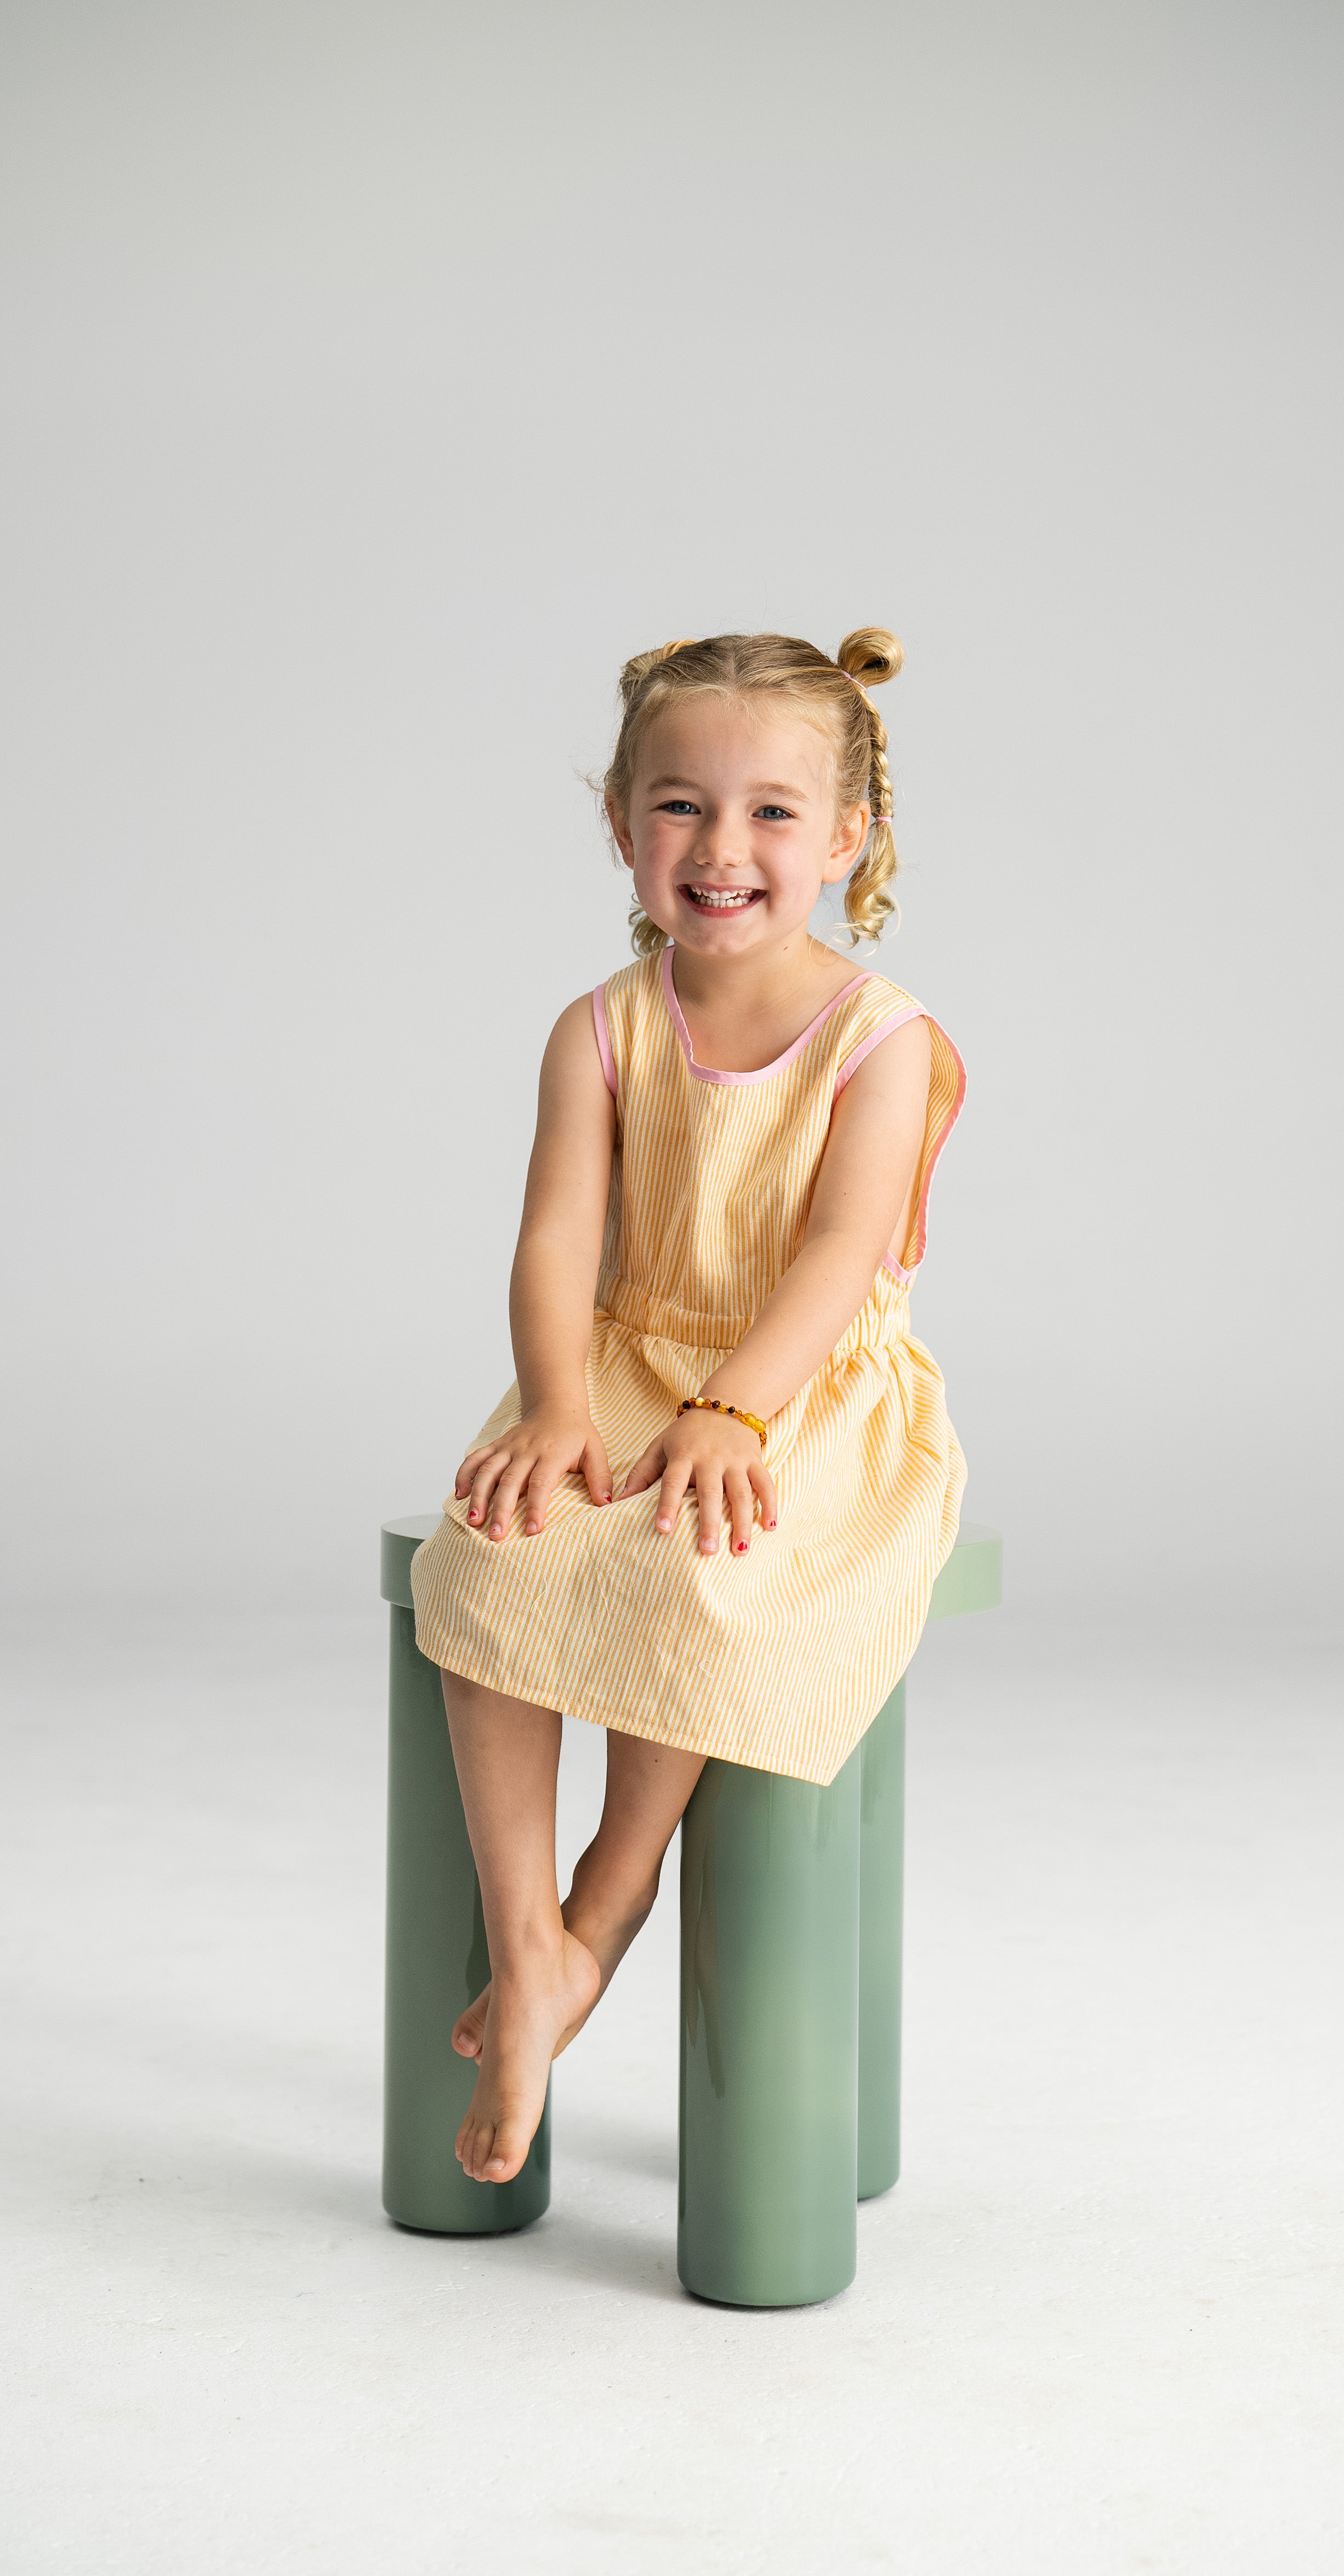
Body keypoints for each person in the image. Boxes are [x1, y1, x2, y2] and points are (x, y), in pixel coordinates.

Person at [409, 628, 966, 2185]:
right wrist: (552, 1403)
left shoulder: (882, 1042)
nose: (723, 851)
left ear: (847, 837)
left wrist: (731, 1411)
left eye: (774, 814)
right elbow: (553, 1241)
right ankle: (535, 1948)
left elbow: (847, 1255)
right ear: (619, 821)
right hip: (628, 1361)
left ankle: (614, 1881)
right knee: (485, 1558)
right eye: (679, 807)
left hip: (798, 1384)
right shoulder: (599, 1028)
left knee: (701, 1568)